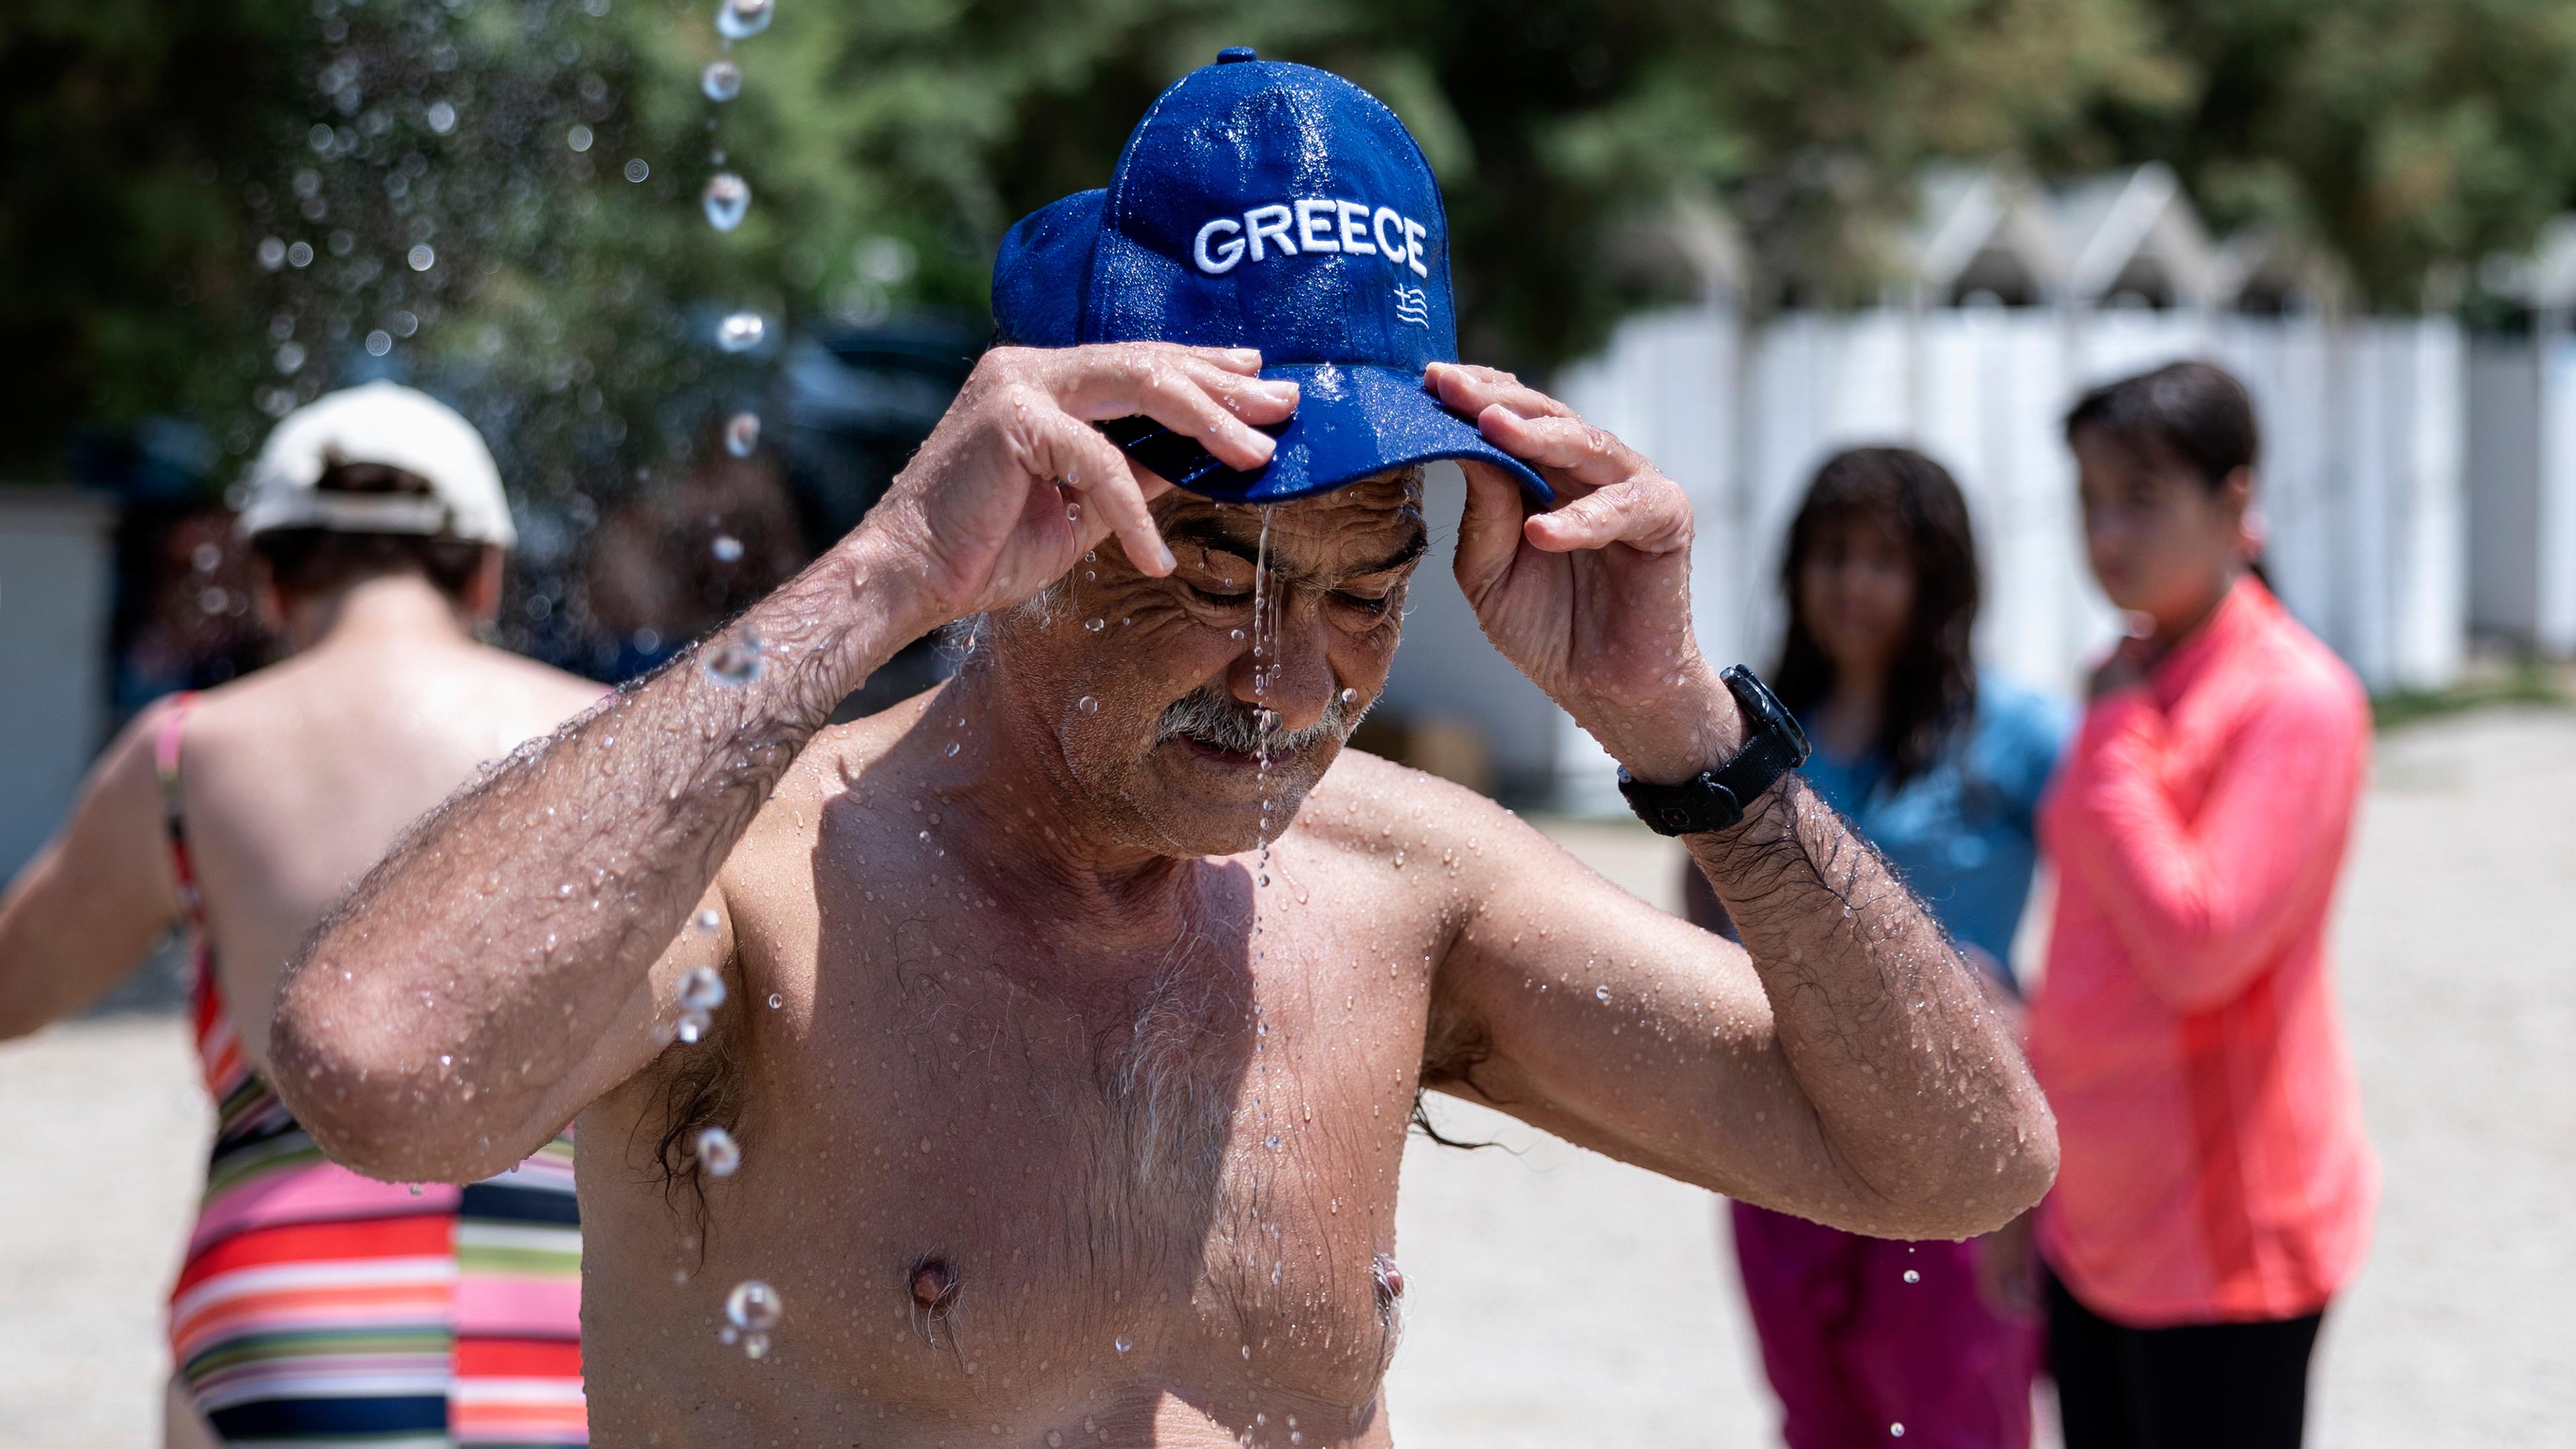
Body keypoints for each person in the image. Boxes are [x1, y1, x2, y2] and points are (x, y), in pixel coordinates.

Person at [272, 54, 2057, 1447]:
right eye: (1210, 575)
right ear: (1035, 513)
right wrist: (879, 578)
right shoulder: (770, 895)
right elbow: (377, 1069)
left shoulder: (1401, 891)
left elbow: (1963, 1164)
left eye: (1367, 594)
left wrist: (1693, 738)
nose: (1288, 685)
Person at [0, 382, 603, 1447]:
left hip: (286, 1316)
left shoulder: (188, 755)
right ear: (485, 572)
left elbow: (18, 989)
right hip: (565, 1311)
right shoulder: (613, 739)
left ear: (269, 580)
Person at [1684, 447, 2070, 1448]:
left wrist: (2044, 1022)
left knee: (1955, 1417)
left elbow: (2117, 902)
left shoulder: (2017, 734)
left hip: (1953, 1129)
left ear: (1939, 578)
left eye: (1884, 559)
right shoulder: (1755, 732)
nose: (1853, 582)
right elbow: (1702, 910)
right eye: (1833, 554)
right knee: (1816, 1415)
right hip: (1784, 1130)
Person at [2028, 360, 2375, 1449]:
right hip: (2094, 1215)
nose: (2107, 533)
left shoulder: (2296, 700)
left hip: (2222, 1239)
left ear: (2236, 498)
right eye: (2090, 499)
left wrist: (2117, 738)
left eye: (2140, 499)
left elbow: (2199, 944)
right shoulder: (2135, 668)